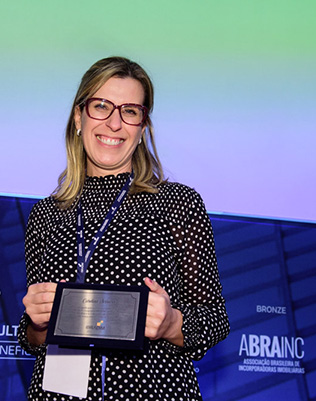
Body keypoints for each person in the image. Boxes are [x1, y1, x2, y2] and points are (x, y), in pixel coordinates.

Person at [17, 56, 229, 401]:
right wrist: (36, 324)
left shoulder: (177, 203)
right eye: (101, 106)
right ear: (78, 117)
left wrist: (171, 323)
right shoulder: (46, 214)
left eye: (130, 111)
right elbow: (31, 338)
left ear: (142, 127)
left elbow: (214, 320)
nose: (114, 123)